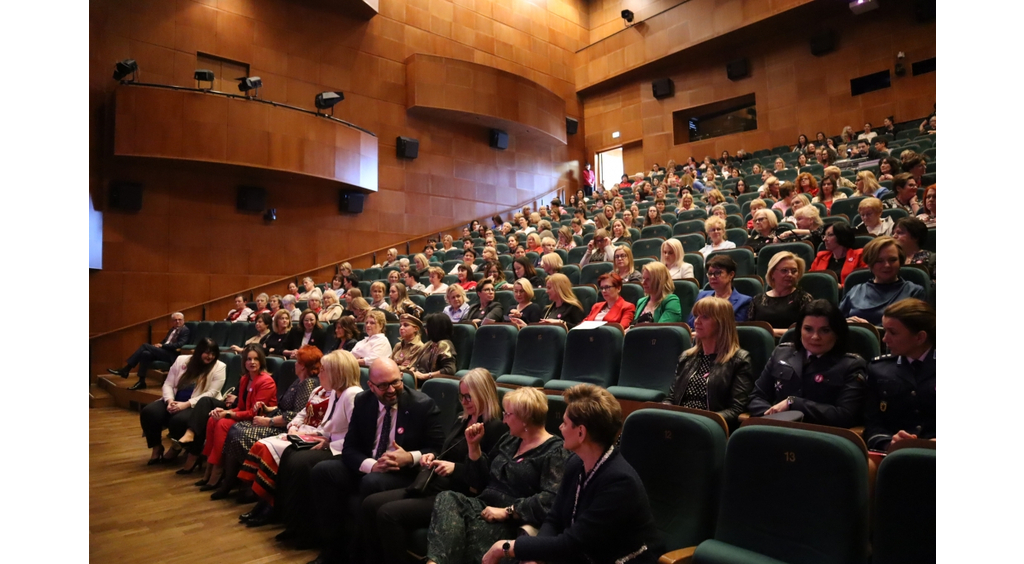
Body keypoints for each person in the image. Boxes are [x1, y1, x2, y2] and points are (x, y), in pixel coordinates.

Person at [483, 384, 662, 564]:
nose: (560, 428)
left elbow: (572, 543)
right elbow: (554, 519)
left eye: (565, 423)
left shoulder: (619, 482)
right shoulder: (575, 462)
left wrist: (505, 547)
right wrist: (536, 556)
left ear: (581, 432)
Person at [304, 357, 445, 564]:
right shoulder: (363, 400)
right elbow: (350, 448)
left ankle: (359, 555)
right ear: (371, 386)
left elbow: (438, 448)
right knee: (322, 471)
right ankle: (332, 551)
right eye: (383, 385)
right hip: (372, 465)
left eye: (396, 382)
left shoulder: (422, 405)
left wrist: (410, 457)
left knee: (371, 483)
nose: (391, 390)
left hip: (403, 473)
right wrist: (371, 466)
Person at [362, 369, 508, 564]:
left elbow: (485, 478)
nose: (463, 401)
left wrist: (454, 468)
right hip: (434, 483)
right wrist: (432, 456)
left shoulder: (495, 427)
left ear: (484, 394)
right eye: (461, 396)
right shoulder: (462, 419)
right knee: (370, 504)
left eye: (468, 396)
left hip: (456, 495)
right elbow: (448, 452)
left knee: (388, 514)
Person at [424, 387, 567, 564]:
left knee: (465, 535)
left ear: (525, 419)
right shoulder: (510, 439)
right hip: (483, 505)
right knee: (447, 497)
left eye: (508, 414)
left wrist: (508, 511)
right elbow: (479, 481)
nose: (504, 420)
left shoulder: (554, 451)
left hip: (510, 521)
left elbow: (551, 499)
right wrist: (474, 447)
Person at [209, 345, 323, 501]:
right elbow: (283, 407)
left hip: (282, 428)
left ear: (303, 366)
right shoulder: (299, 381)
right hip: (277, 419)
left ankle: (247, 486)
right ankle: (232, 482)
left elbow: (297, 415)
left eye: (297, 361)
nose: (294, 364)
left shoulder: (308, 383)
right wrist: (267, 408)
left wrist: (268, 421)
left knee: (240, 433)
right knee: (236, 429)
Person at [747, 300, 867, 428]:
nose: (815, 337)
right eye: (808, 329)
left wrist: (794, 404)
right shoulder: (782, 353)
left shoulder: (851, 365)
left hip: (822, 437)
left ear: (837, 333)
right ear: (799, 331)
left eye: (825, 330)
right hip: (777, 430)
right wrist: (776, 417)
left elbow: (845, 416)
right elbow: (756, 397)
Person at [194, 344, 278, 491]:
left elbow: (254, 413)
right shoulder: (245, 379)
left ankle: (218, 470)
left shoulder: (266, 381)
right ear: (244, 362)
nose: (252, 362)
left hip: (260, 420)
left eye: (256, 359)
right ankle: (210, 467)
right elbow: (241, 406)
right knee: (214, 419)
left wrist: (229, 414)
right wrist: (224, 410)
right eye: (249, 359)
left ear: (261, 361)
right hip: (247, 417)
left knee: (223, 423)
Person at [670, 297, 755, 431]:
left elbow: (736, 409)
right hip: (679, 423)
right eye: (696, 316)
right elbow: (671, 398)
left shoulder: (739, 360)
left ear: (721, 323)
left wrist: (700, 421)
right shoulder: (686, 357)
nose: (696, 321)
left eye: (705, 317)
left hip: (709, 429)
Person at [138, 338, 225, 465]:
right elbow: (168, 383)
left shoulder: (220, 367)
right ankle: (157, 447)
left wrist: (185, 404)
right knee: (149, 412)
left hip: (196, 405)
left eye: (213, 353)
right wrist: (169, 400)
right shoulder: (181, 360)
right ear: (199, 351)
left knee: (178, 420)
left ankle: (176, 448)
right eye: (207, 352)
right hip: (174, 400)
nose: (210, 356)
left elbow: (211, 393)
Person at [863, 299, 936, 451]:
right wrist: (889, 442)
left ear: (920, 337)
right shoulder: (879, 369)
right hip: (896, 455)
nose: (884, 339)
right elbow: (872, 424)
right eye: (885, 331)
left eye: (893, 333)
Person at [840, 237, 925, 326]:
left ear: (900, 262)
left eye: (892, 260)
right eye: (879, 261)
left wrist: (869, 329)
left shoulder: (914, 292)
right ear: (870, 264)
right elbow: (836, 324)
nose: (887, 265)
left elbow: (914, 332)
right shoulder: (856, 291)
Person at [108, 312, 191, 390]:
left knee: (145, 345)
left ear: (183, 320)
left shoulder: (185, 330)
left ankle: (126, 370)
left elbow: (180, 344)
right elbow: (166, 341)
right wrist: (159, 344)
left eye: (179, 319)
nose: (177, 321)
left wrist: (162, 346)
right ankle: (141, 381)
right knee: (145, 353)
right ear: (172, 322)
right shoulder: (172, 330)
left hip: (172, 354)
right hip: (164, 351)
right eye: (175, 320)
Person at [748, 252, 813, 337]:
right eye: (784, 270)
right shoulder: (757, 300)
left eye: (794, 271)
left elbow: (807, 329)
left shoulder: (804, 298)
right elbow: (751, 329)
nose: (790, 274)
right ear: (772, 273)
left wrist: (767, 331)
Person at [688, 255, 751, 326]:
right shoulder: (702, 296)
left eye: (717, 273)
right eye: (710, 273)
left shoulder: (743, 301)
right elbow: (691, 323)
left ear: (731, 275)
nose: (712, 277)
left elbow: (734, 329)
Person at [893, 217, 935, 282]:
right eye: (893, 233)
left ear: (915, 236)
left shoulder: (932, 259)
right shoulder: (890, 259)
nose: (894, 236)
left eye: (900, 233)